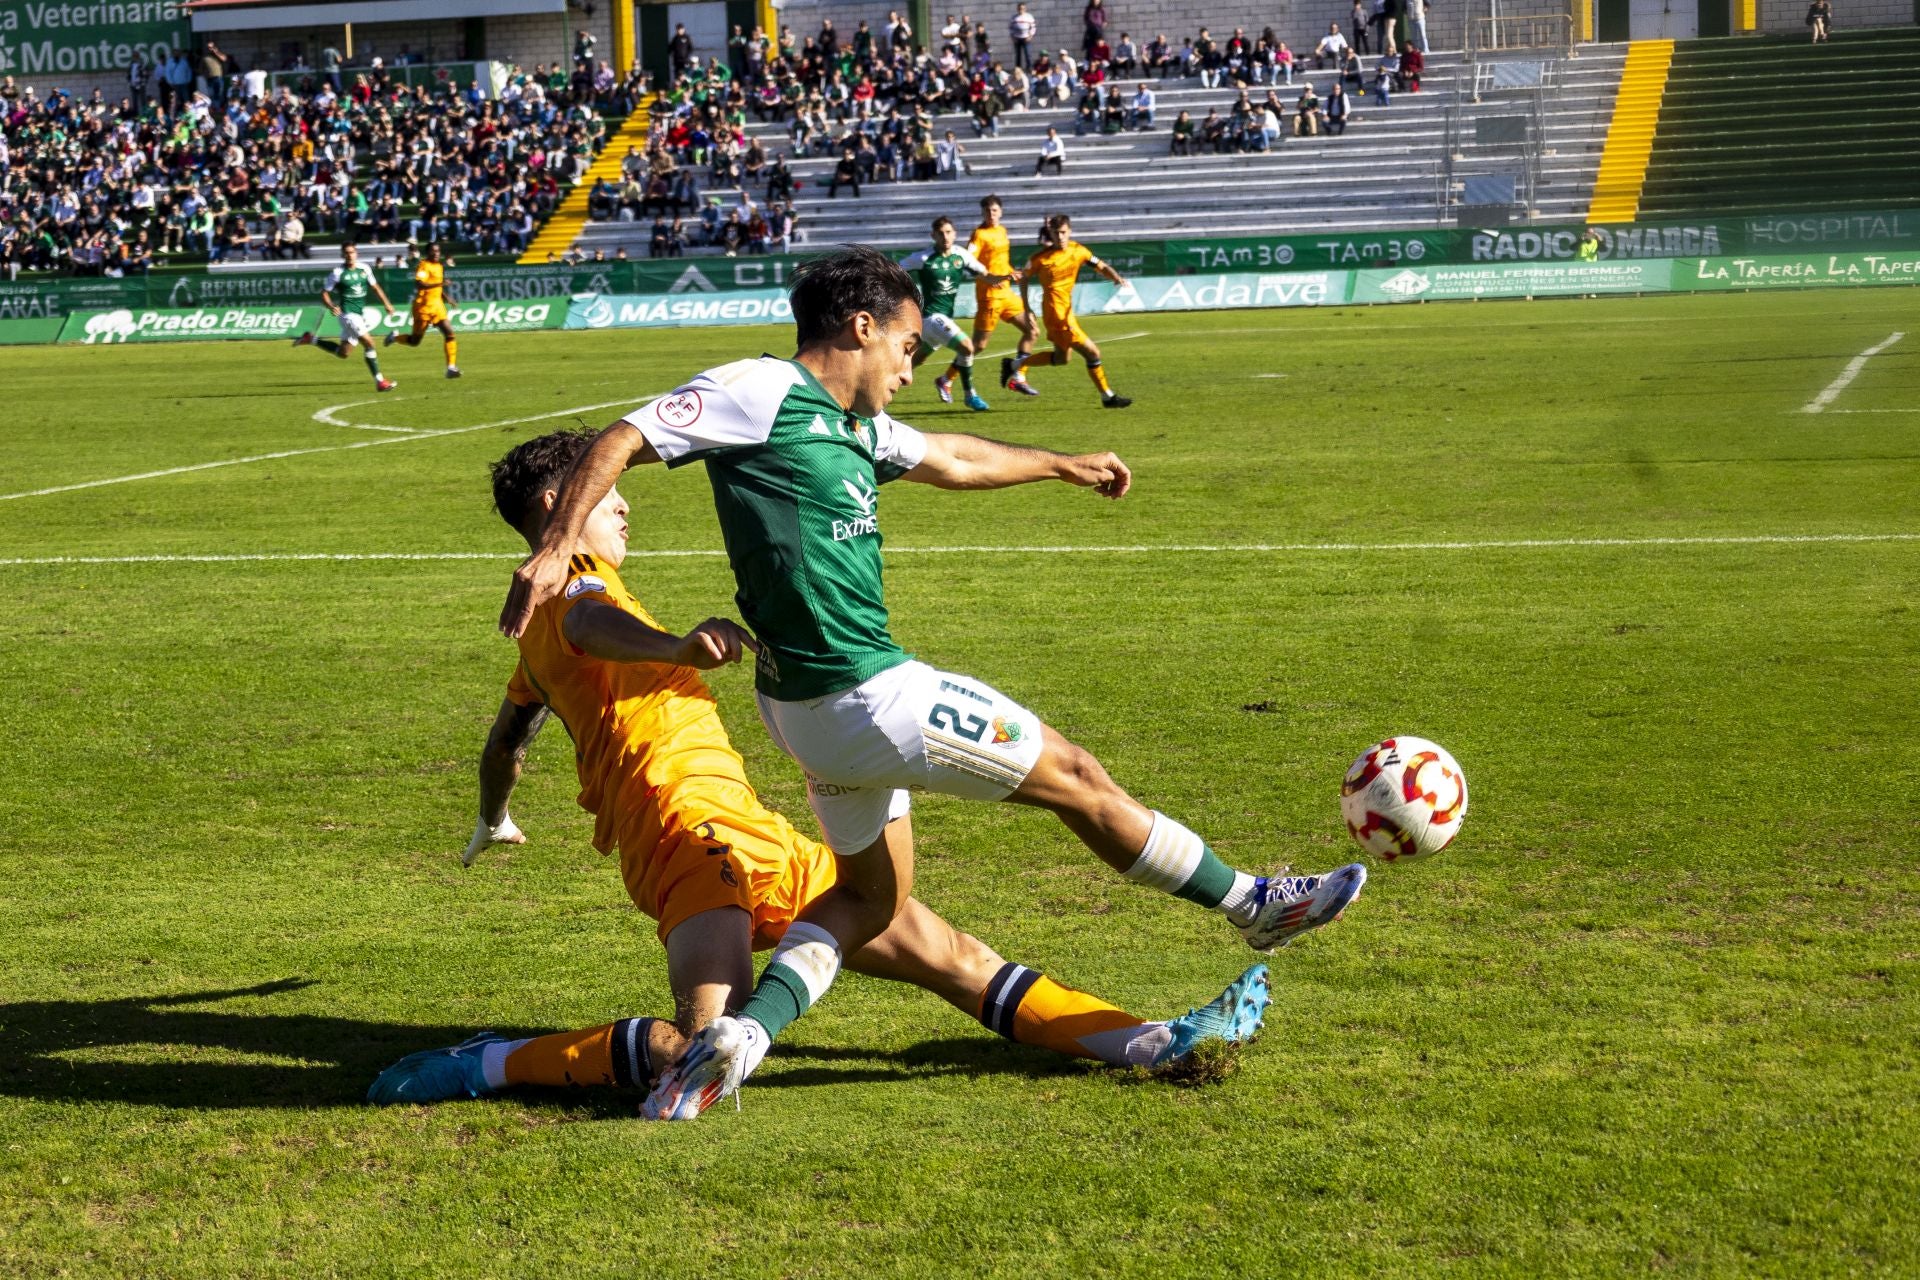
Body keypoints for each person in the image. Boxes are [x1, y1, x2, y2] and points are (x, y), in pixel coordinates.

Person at [498, 247, 1368, 1119]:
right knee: (1077, 777)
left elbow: (954, 458)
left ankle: (743, 1038)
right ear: (861, 327)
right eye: (909, 346)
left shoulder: (850, 427)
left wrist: (1062, 463)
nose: (914, 367)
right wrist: (552, 547)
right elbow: (625, 435)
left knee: (872, 899)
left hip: (810, 713)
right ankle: (1253, 902)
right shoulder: (761, 392)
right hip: (864, 693)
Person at [369, 431, 1272, 1105]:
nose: (624, 505)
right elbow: (589, 626)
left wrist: (492, 817)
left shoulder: (533, 626)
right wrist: (675, 643)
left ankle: (1153, 1042)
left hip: (748, 827)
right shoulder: (570, 587)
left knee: (950, 955)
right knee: (697, 1054)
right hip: (687, 834)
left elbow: (503, 744)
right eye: (607, 498)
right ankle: (490, 1062)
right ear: (564, 504)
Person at [1007, 213, 1134, 409]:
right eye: (1056, 233)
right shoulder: (1041, 258)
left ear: (1070, 231)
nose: (1060, 237)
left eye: (1064, 232)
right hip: (1058, 316)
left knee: (1061, 358)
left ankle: (1013, 365)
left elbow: (1100, 265)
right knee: (1092, 353)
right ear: (1050, 233)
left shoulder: (1078, 250)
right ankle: (1107, 396)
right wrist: (1027, 307)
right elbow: (1023, 277)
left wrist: (1116, 278)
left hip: (1066, 313)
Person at [901, 216, 1007, 411]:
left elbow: (984, 275)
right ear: (933, 235)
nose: (945, 237)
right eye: (940, 233)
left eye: (948, 232)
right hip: (931, 318)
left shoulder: (961, 255)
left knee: (911, 362)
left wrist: (999, 278)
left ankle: (882, 387)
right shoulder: (923, 258)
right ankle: (970, 395)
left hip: (938, 321)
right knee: (967, 347)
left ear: (955, 234)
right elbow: (898, 268)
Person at [292, 243, 398, 391]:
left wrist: (387, 304)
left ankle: (311, 339)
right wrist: (331, 306)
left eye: (352, 252)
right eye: (346, 253)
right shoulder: (337, 273)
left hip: (359, 314)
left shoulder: (364, 269)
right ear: (343, 255)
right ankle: (380, 381)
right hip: (348, 315)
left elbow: (375, 287)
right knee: (369, 343)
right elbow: (324, 293)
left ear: (356, 254)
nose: (350, 255)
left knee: (344, 353)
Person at [963, 195, 1041, 396]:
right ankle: (947, 378)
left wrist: (1011, 272)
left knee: (1032, 330)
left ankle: (1018, 377)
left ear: (1001, 211)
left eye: (995, 210)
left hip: (1006, 293)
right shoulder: (979, 235)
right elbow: (968, 258)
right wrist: (987, 276)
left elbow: (1000, 259)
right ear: (982, 213)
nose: (991, 214)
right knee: (978, 345)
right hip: (989, 294)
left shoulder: (1002, 231)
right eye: (988, 211)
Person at [384, 242, 461, 378]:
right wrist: (441, 283)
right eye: (434, 251)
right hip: (423, 308)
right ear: (428, 253)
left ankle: (451, 368)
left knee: (450, 334)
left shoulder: (439, 266)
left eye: (438, 251)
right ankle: (395, 337)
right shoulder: (424, 265)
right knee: (415, 341)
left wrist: (447, 297)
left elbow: (437, 288)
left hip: (437, 306)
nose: (437, 253)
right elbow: (420, 284)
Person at [1010, 2, 1037, 70]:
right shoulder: (1014, 17)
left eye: (1022, 8)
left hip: (1026, 38)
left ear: (1025, 9)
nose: (1021, 10)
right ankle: (1018, 70)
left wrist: (1030, 36)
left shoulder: (1029, 17)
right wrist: (1013, 37)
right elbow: (1011, 28)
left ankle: (1029, 69)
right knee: (1018, 56)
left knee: (1028, 55)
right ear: (1017, 9)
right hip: (1017, 39)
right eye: (1019, 8)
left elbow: (1033, 27)